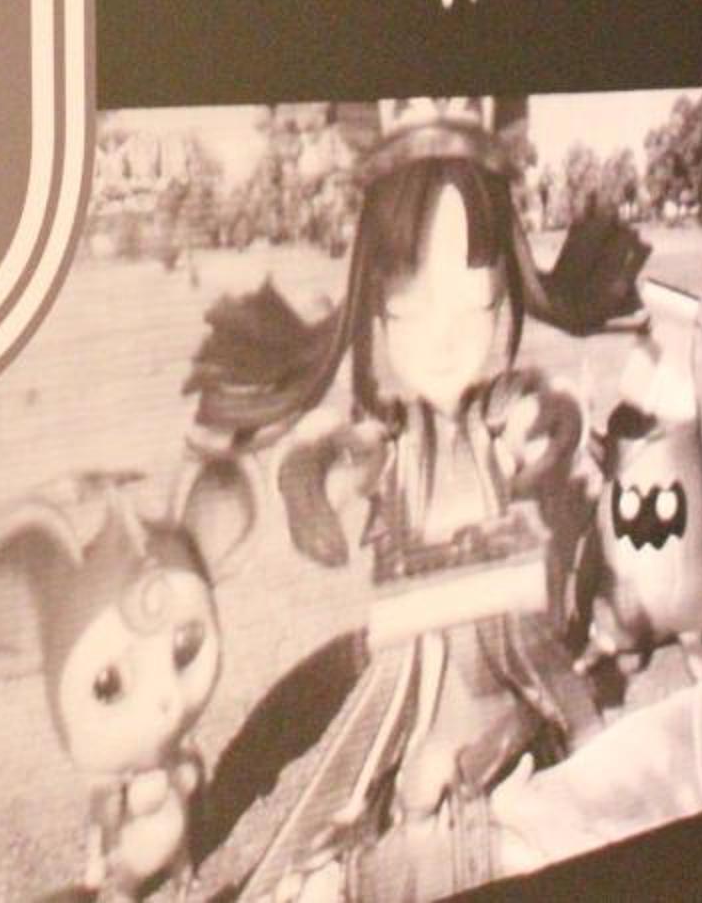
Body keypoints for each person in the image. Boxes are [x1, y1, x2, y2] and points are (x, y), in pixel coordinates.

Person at [185, 102, 645, 899]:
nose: (446, 338)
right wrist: (311, 493)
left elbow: (554, 419)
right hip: (413, 699)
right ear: (374, 305)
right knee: (366, 799)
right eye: (410, 307)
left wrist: (552, 438)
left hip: (514, 686)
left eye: (478, 305)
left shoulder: (502, 415)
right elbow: (326, 462)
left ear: (511, 295)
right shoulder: (393, 438)